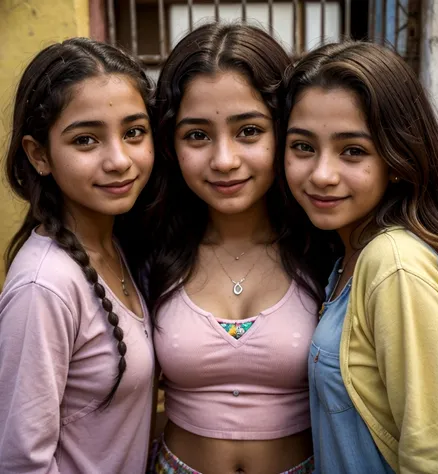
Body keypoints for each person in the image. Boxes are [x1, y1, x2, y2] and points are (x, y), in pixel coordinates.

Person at [136, 22, 332, 474]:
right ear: (171, 144)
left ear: (283, 131)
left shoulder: (327, 245)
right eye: (197, 135)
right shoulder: (147, 248)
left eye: (249, 131)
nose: (224, 160)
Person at [283, 41, 438, 473]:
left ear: (396, 158)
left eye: (353, 150)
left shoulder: (393, 263)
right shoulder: (346, 257)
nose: (322, 174)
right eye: (302, 147)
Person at [0, 38, 156, 473]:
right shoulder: (45, 286)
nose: (119, 159)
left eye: (134, 132)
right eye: (86, 140)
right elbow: (21, 461)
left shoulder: (116, 246)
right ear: (39, 154)